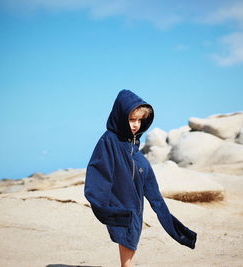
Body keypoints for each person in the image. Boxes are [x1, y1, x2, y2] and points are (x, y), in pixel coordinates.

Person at [84, 90, 197, 267]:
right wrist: (104, 207)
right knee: (127, 243)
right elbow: (98, 173)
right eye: (131, 119)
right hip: (120, 204)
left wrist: (159, 206)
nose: (136, 124)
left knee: (132, 241)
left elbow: (144, 174)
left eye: (139, 120)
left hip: (136, 204)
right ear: (121, 116)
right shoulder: (109, 140)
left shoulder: (133, 143)